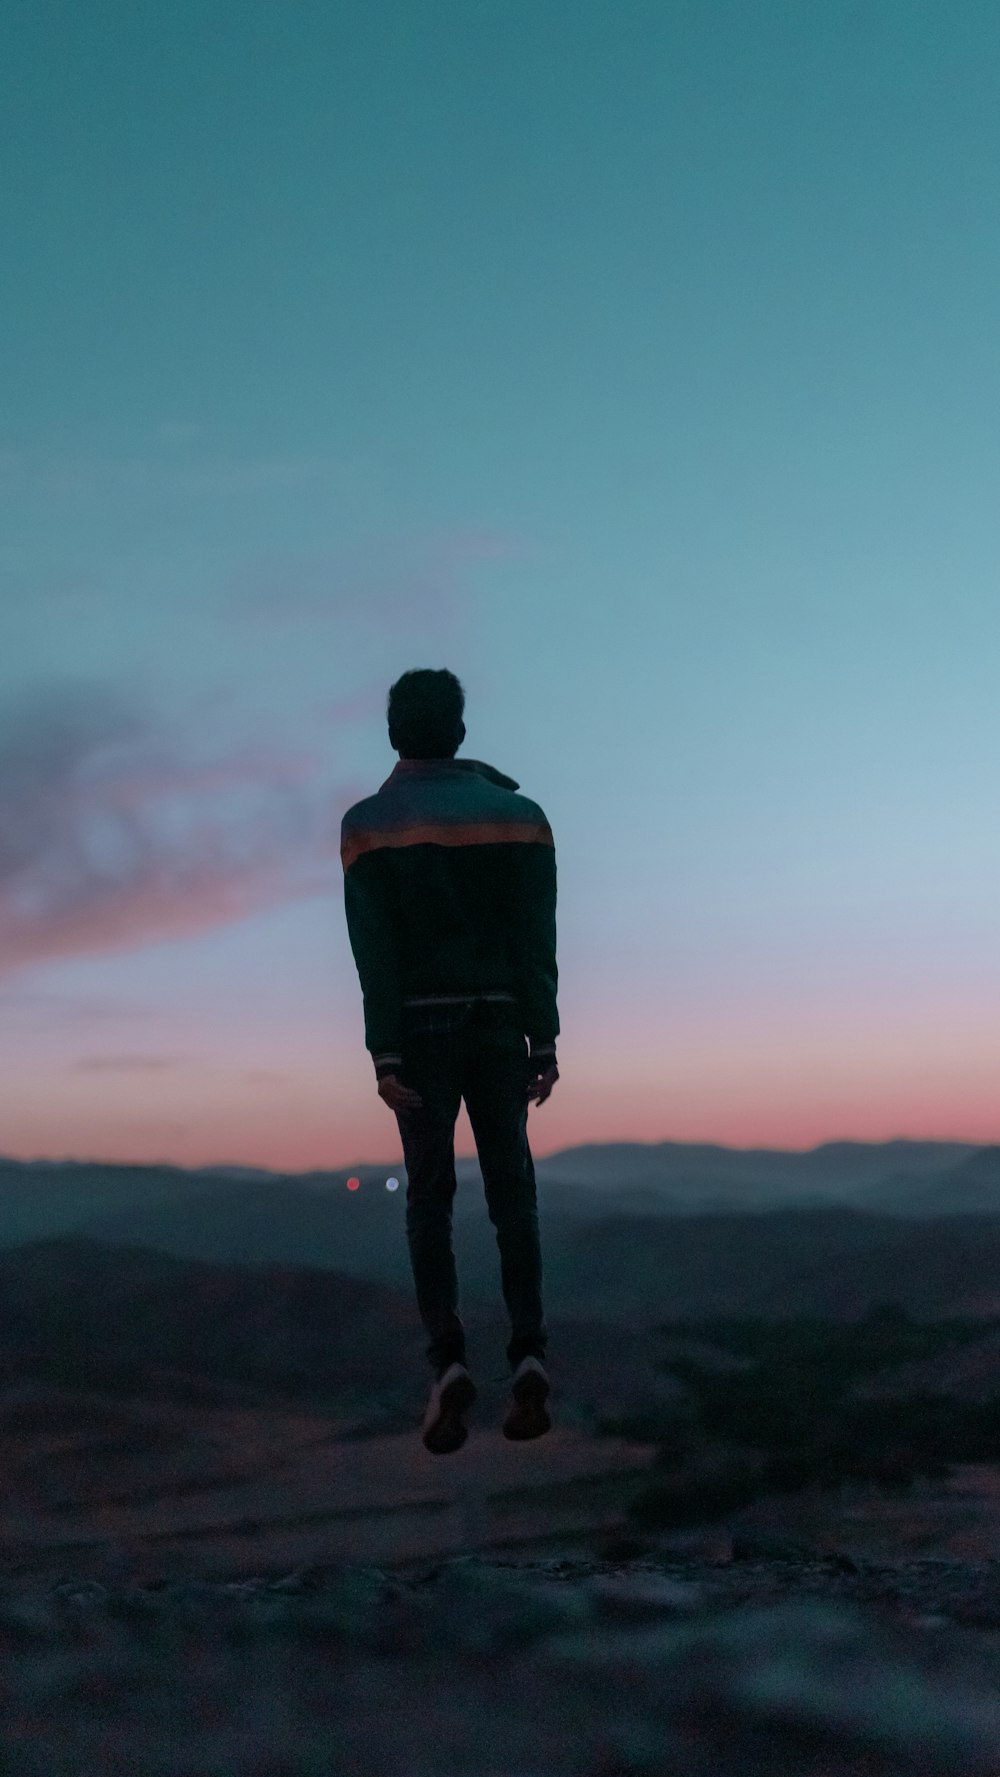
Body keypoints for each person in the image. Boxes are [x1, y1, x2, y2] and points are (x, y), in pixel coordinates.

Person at [340, 668, 559, 1454]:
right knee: (514, 1192)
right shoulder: (522, 817)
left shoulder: (367, 825)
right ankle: (529, 1349)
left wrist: (384, 1052)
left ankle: (448, 1362)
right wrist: (546, 1038)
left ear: (395, 734)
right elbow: (537, 940)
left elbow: (377, 952)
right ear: (461, 732)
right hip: (502, 1024)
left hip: (420, 1036)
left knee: (429, 1198)